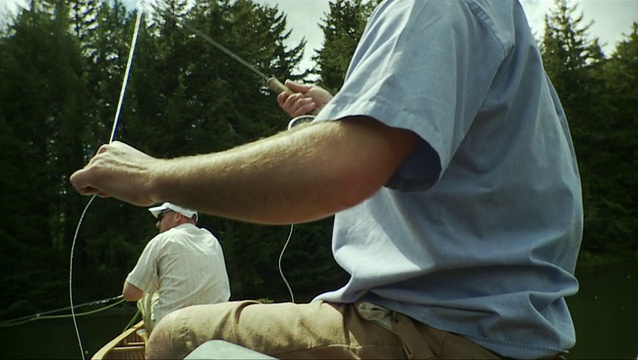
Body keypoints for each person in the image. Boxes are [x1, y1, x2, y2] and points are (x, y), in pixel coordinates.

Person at [70, 0, 583, 358]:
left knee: (175, 336)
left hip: (440, 335)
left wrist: (154, 177)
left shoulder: (434, 6)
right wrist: (340, 110)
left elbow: (342, 169)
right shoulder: (496, 17)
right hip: (504, 337)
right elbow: (413, 150)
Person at [122, 202, 231, 334]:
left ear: (177, 216)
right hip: (214, 327)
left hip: (172, 331)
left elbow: (129, 294)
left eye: (161, 217)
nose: (157, 224)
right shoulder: (212, 240)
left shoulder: (162, 240)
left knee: (146, 296)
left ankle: (152, 341)